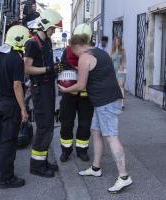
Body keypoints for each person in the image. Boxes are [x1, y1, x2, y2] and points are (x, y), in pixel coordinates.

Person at [58, 24, 133, 194]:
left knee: (111, 137)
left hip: (106, 103)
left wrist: (64, 89)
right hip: (103, 101)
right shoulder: (100, 52)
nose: (75, 56)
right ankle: (96, 167)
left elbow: (80, 85)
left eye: (74, 51)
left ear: (78, 46)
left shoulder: (85, 57)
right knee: (95, 132)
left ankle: (124, 176)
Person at [24, 9, 62, 178]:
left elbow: (46, 65)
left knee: (48, 125)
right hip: (40, 90)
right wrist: (47, 69)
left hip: (48, 88)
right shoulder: (32, 43)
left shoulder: (46, 42)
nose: (54, 31)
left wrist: (55, 68)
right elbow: (27, 68)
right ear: (45, 26)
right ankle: (37, 166)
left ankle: (43, 161)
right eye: (52, 28)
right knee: (44, 127)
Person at [0, 25, 29, 189]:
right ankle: (6, 179)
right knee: (9, 142)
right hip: (10, 105)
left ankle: (5, 173)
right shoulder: (16, 59)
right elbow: (17, 86)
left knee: (3, 141)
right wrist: (23, 108)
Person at [59, 24, 94, 163]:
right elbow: (61, 69)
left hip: (86, 96)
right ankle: (66, 151)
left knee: (85, 125)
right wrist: (66, 68)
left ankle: (82, 150)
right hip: (70, 94)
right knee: (66, 124)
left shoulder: (92, 52)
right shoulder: (67, 51)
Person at [110, 36, 126, 109]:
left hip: (120, 70)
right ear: (114, 42)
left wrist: (122, 66)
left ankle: (122, 103)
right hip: (113, 70)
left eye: (118, 41)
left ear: (120, 42)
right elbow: (109, 61)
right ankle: (114, 101)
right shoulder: (111, 50)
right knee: (114, 86)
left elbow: (124, 60)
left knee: (121, 86)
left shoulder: (122, 50)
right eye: (116, 41)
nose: (117, 43)